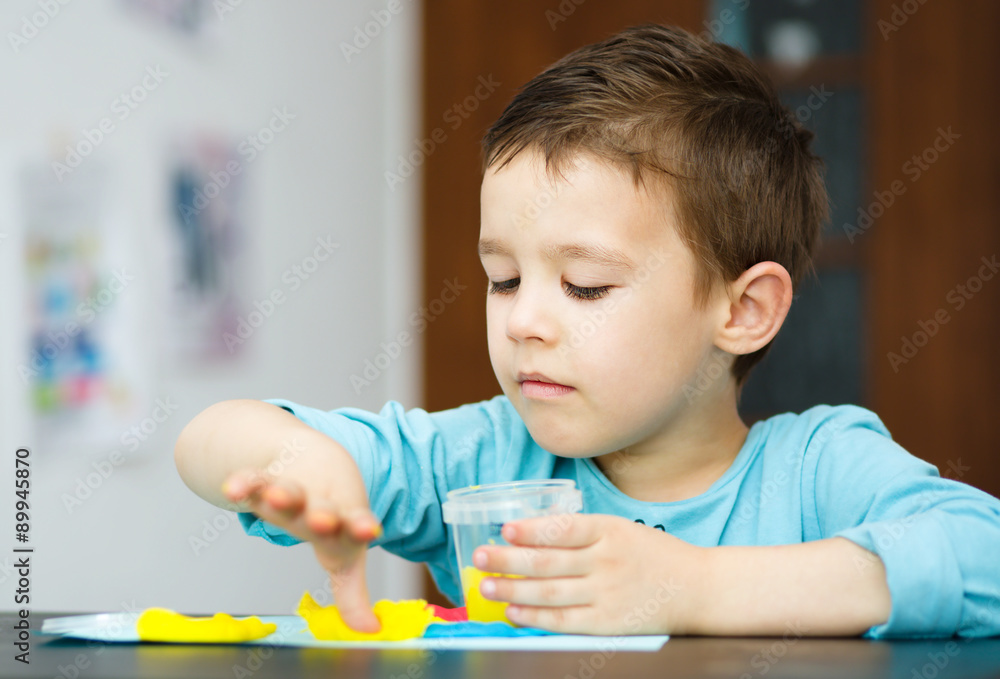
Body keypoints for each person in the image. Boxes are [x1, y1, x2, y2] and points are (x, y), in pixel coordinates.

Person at [174, 24, 1000, 638]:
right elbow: (212, 438)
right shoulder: (484, 462)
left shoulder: (817, 471)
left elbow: (982, 557)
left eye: (585, 285)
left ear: (742, 310)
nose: (524, 320)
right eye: (504, 278)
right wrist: (307, 464)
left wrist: (698, 587)